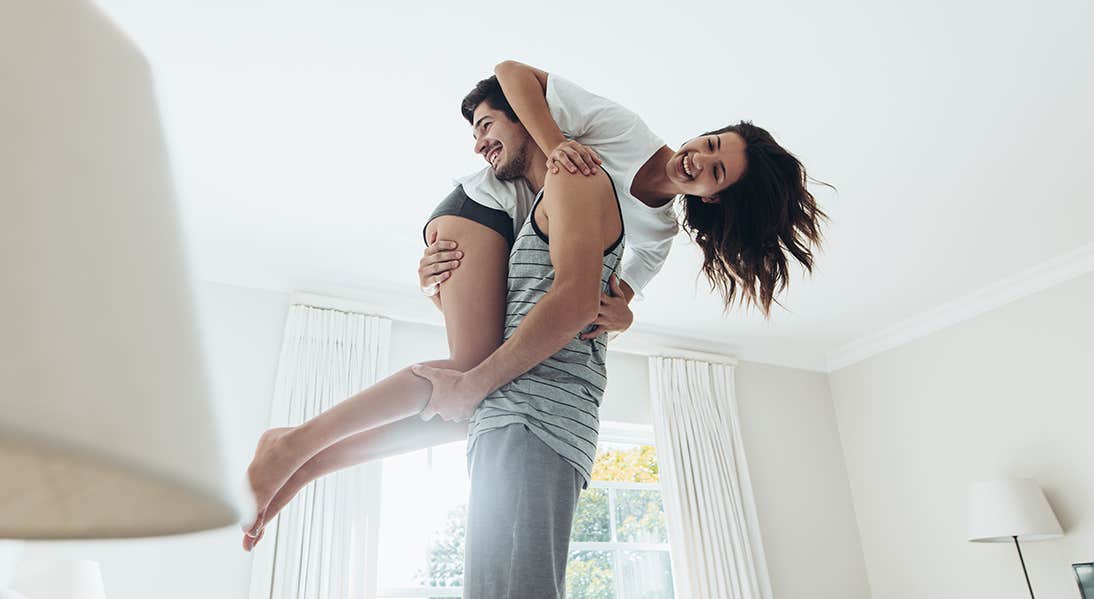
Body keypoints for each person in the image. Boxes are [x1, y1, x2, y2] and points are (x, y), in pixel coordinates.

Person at [242, 62, 827, 553]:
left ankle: (305, 457)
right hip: (486, 208)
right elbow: (511, 72)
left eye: (716, 170)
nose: (699, 158)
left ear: (715, 195)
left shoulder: (657, 232)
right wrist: (555, 145)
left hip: (515, 239)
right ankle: (294, 448)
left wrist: (625, 318)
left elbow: (605, 301)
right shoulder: (625, 131)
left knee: (478, 401)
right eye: (711, 142)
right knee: (474, 373)